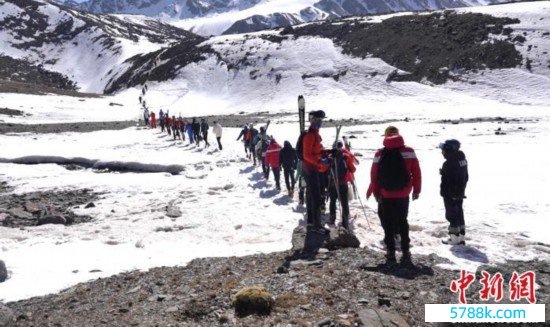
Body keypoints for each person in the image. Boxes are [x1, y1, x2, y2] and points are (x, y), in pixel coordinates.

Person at [367, 133, 421, 262]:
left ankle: (390, 251)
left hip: (386, 194)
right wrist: (417, 190)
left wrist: (376, 193)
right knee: (403, 221)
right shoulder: (409, 152)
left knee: (388, 222)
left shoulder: (379, 154)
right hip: (403, 193)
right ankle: (406, 251)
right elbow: (417, 172)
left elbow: (374, 176)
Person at [302, 110, 330, 234]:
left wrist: (328, 152)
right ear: (312, 121)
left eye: (320, 121)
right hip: (310, 170)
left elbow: (316, 151)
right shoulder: (310, 135)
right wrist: (319, 162)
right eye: (317, 120)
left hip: (313, 169)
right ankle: (316, 225)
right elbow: (307, 155)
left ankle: (314, 223)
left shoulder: (315, 135)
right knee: (316, 197)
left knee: (315, 196)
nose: (319, 123)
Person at [439, 139, 468, 245]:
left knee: (451, 214)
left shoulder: (449, 163)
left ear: (448, 149)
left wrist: (451, 193)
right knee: (459, 212)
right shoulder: (462, 160)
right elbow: (465, 177)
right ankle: (461, 236)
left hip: (451, 193)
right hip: (459, 192)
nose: (442, 152)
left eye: (443, 149)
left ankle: (454, 238)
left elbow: (451, 179)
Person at [328, 142, 356, 230]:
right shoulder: (346, 157)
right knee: (344, 202)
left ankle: (332, 219)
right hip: (343, 183)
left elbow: (324, 168)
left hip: (333, 184)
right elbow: (353, 169)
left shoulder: (331, 157)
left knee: (333, 201)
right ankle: (345, 222)